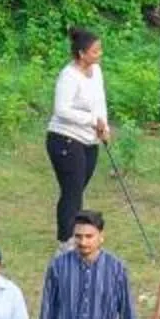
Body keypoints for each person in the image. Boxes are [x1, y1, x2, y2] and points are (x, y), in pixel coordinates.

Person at [45, 26, 113, 247]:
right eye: (95, 51)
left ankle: (72, 234)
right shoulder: (69, 76)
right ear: (81, 54)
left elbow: (100, 102)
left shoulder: (97, 72)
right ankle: (66, 241)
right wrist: (93, 121)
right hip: (65, 138)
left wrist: (105, 127)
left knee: (77, 189)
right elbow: (61, 110)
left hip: (89, 140)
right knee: (72, 191)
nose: (99, 54)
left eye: (100, 50)